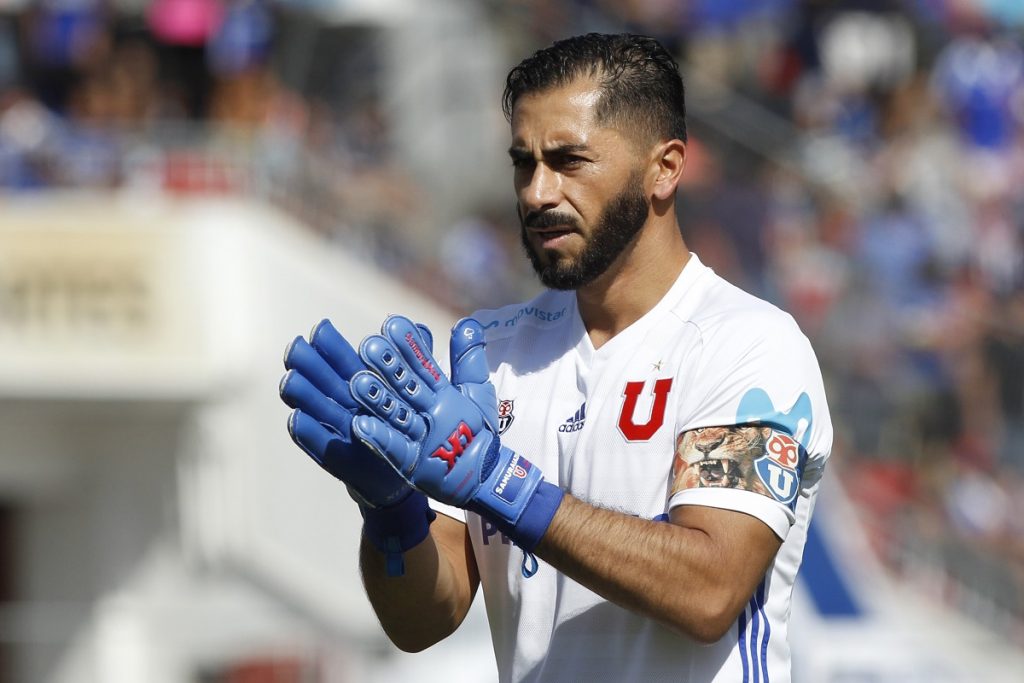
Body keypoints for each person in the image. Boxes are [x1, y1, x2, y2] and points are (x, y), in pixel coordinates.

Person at [280, 32, 833, 683]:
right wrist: (391, 510)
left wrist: (497, 478)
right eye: (524, 162)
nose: (537, 192)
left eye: (569, 160)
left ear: (666, 167)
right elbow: (423, 621)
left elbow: (708, 590)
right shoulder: (489, 351)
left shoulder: (748, 344)